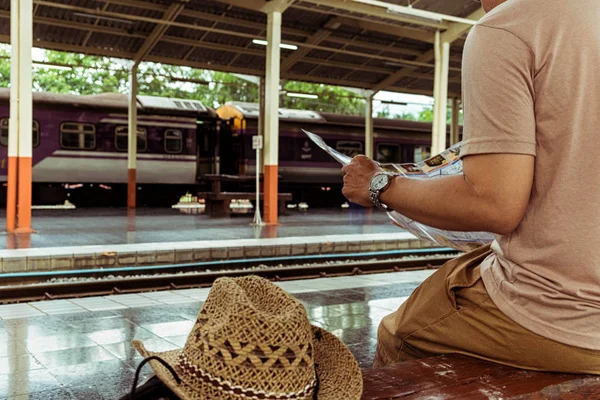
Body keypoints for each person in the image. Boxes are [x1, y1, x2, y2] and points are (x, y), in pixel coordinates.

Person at [341, 0, 600, 374]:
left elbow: (493, 204)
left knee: (399, 333)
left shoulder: (506, 28)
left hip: (568, 316)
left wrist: (379, 184)